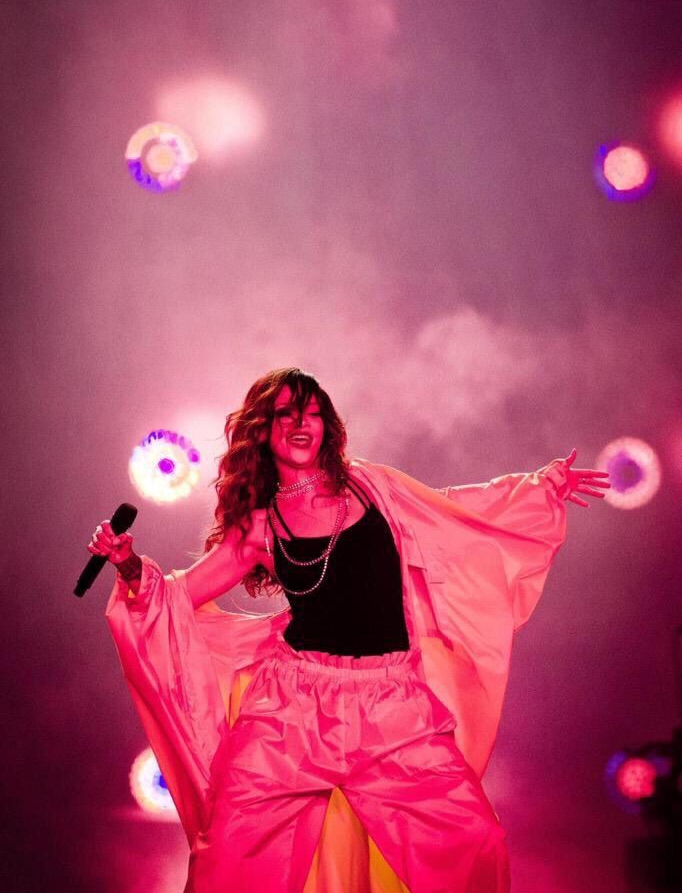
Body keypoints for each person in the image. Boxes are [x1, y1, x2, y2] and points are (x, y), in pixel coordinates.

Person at [89, 367, 609, 893]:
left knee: (475, 845)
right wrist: (131, 568)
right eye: (286, 413)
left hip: (393, 711)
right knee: (228, 859)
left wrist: (541, 487)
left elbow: (454, 511)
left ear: (327, 426)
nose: (301, 423)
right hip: (290, 714)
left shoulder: (371, 487)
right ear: (262, 429)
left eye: (312, 413)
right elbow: (175, 600)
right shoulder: (259, 527)